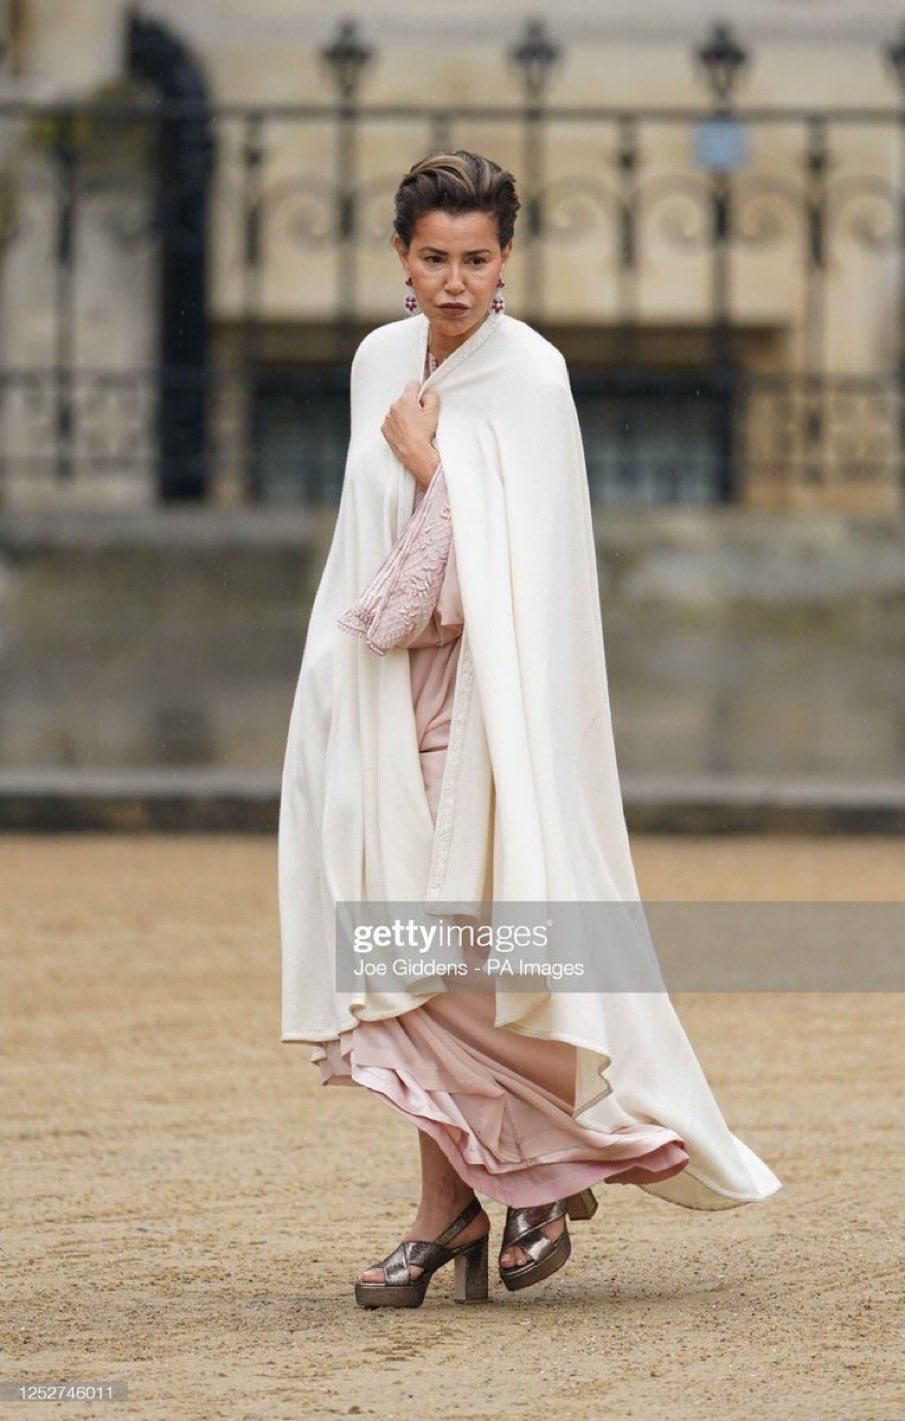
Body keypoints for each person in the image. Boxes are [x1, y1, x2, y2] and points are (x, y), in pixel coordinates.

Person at [278, 151, 781, 1310]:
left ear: (506, 260)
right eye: (432, 257)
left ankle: (525, 1177)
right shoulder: (374, 362)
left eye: (476, 258)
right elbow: (366, 561)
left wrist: (430, 465)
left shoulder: (533, 375)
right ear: (399, 258)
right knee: (393, 959)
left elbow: (491, 581)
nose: (454, 281)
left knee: (469, 954)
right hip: (374, 701)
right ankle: (462, 1202)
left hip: (489, 707)